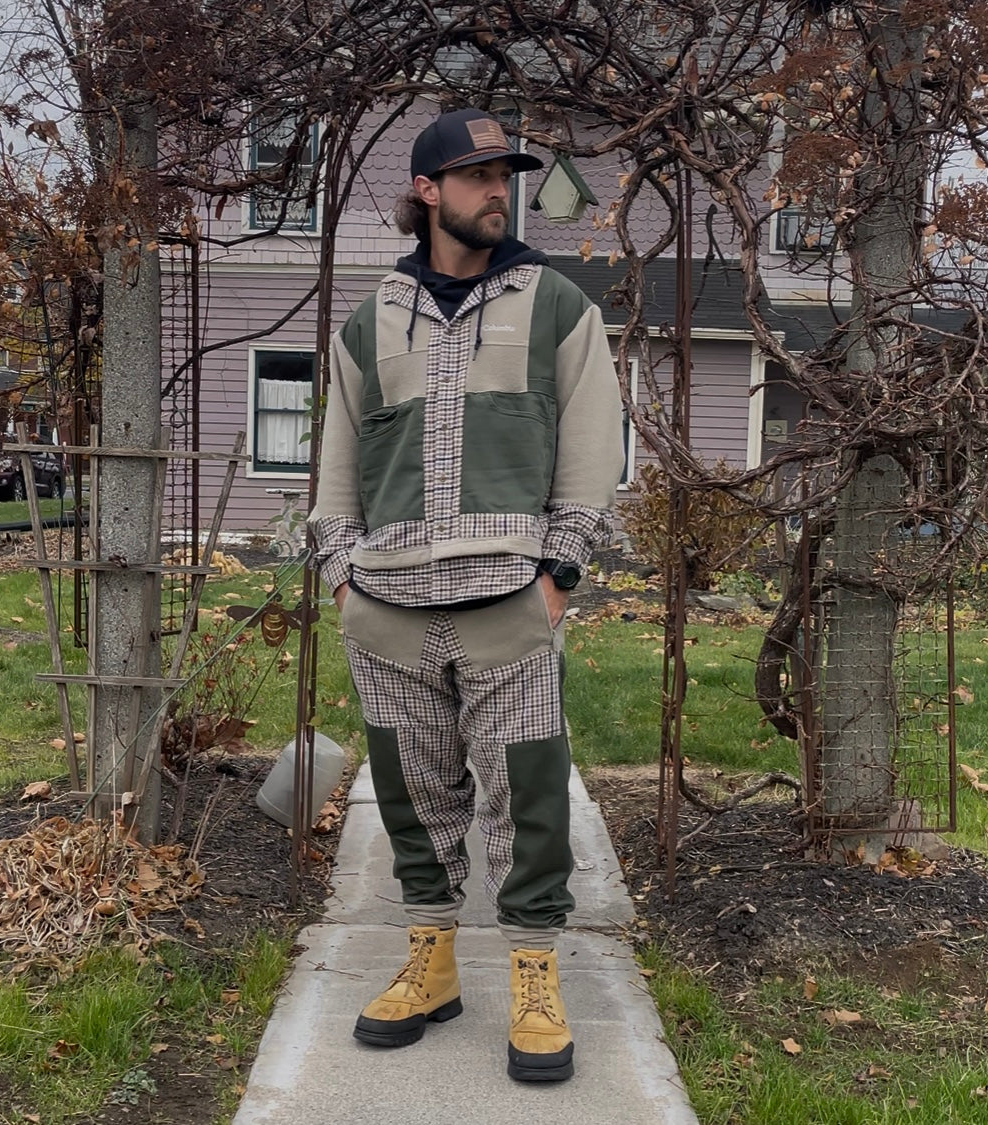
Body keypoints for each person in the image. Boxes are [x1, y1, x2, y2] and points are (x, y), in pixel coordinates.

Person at [309, 107, 624, 1083]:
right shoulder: (369, 322)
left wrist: (557, 576)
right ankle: (432, 963)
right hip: (387, 609)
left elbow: (592, 448)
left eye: (506, 176)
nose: (499, 191)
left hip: (506, 600)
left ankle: (533, 976)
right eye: (479, 175)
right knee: (412, 795)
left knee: (528, 796)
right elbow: (336, 463)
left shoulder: (556, 307)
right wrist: (342, 578)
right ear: (427, 190)